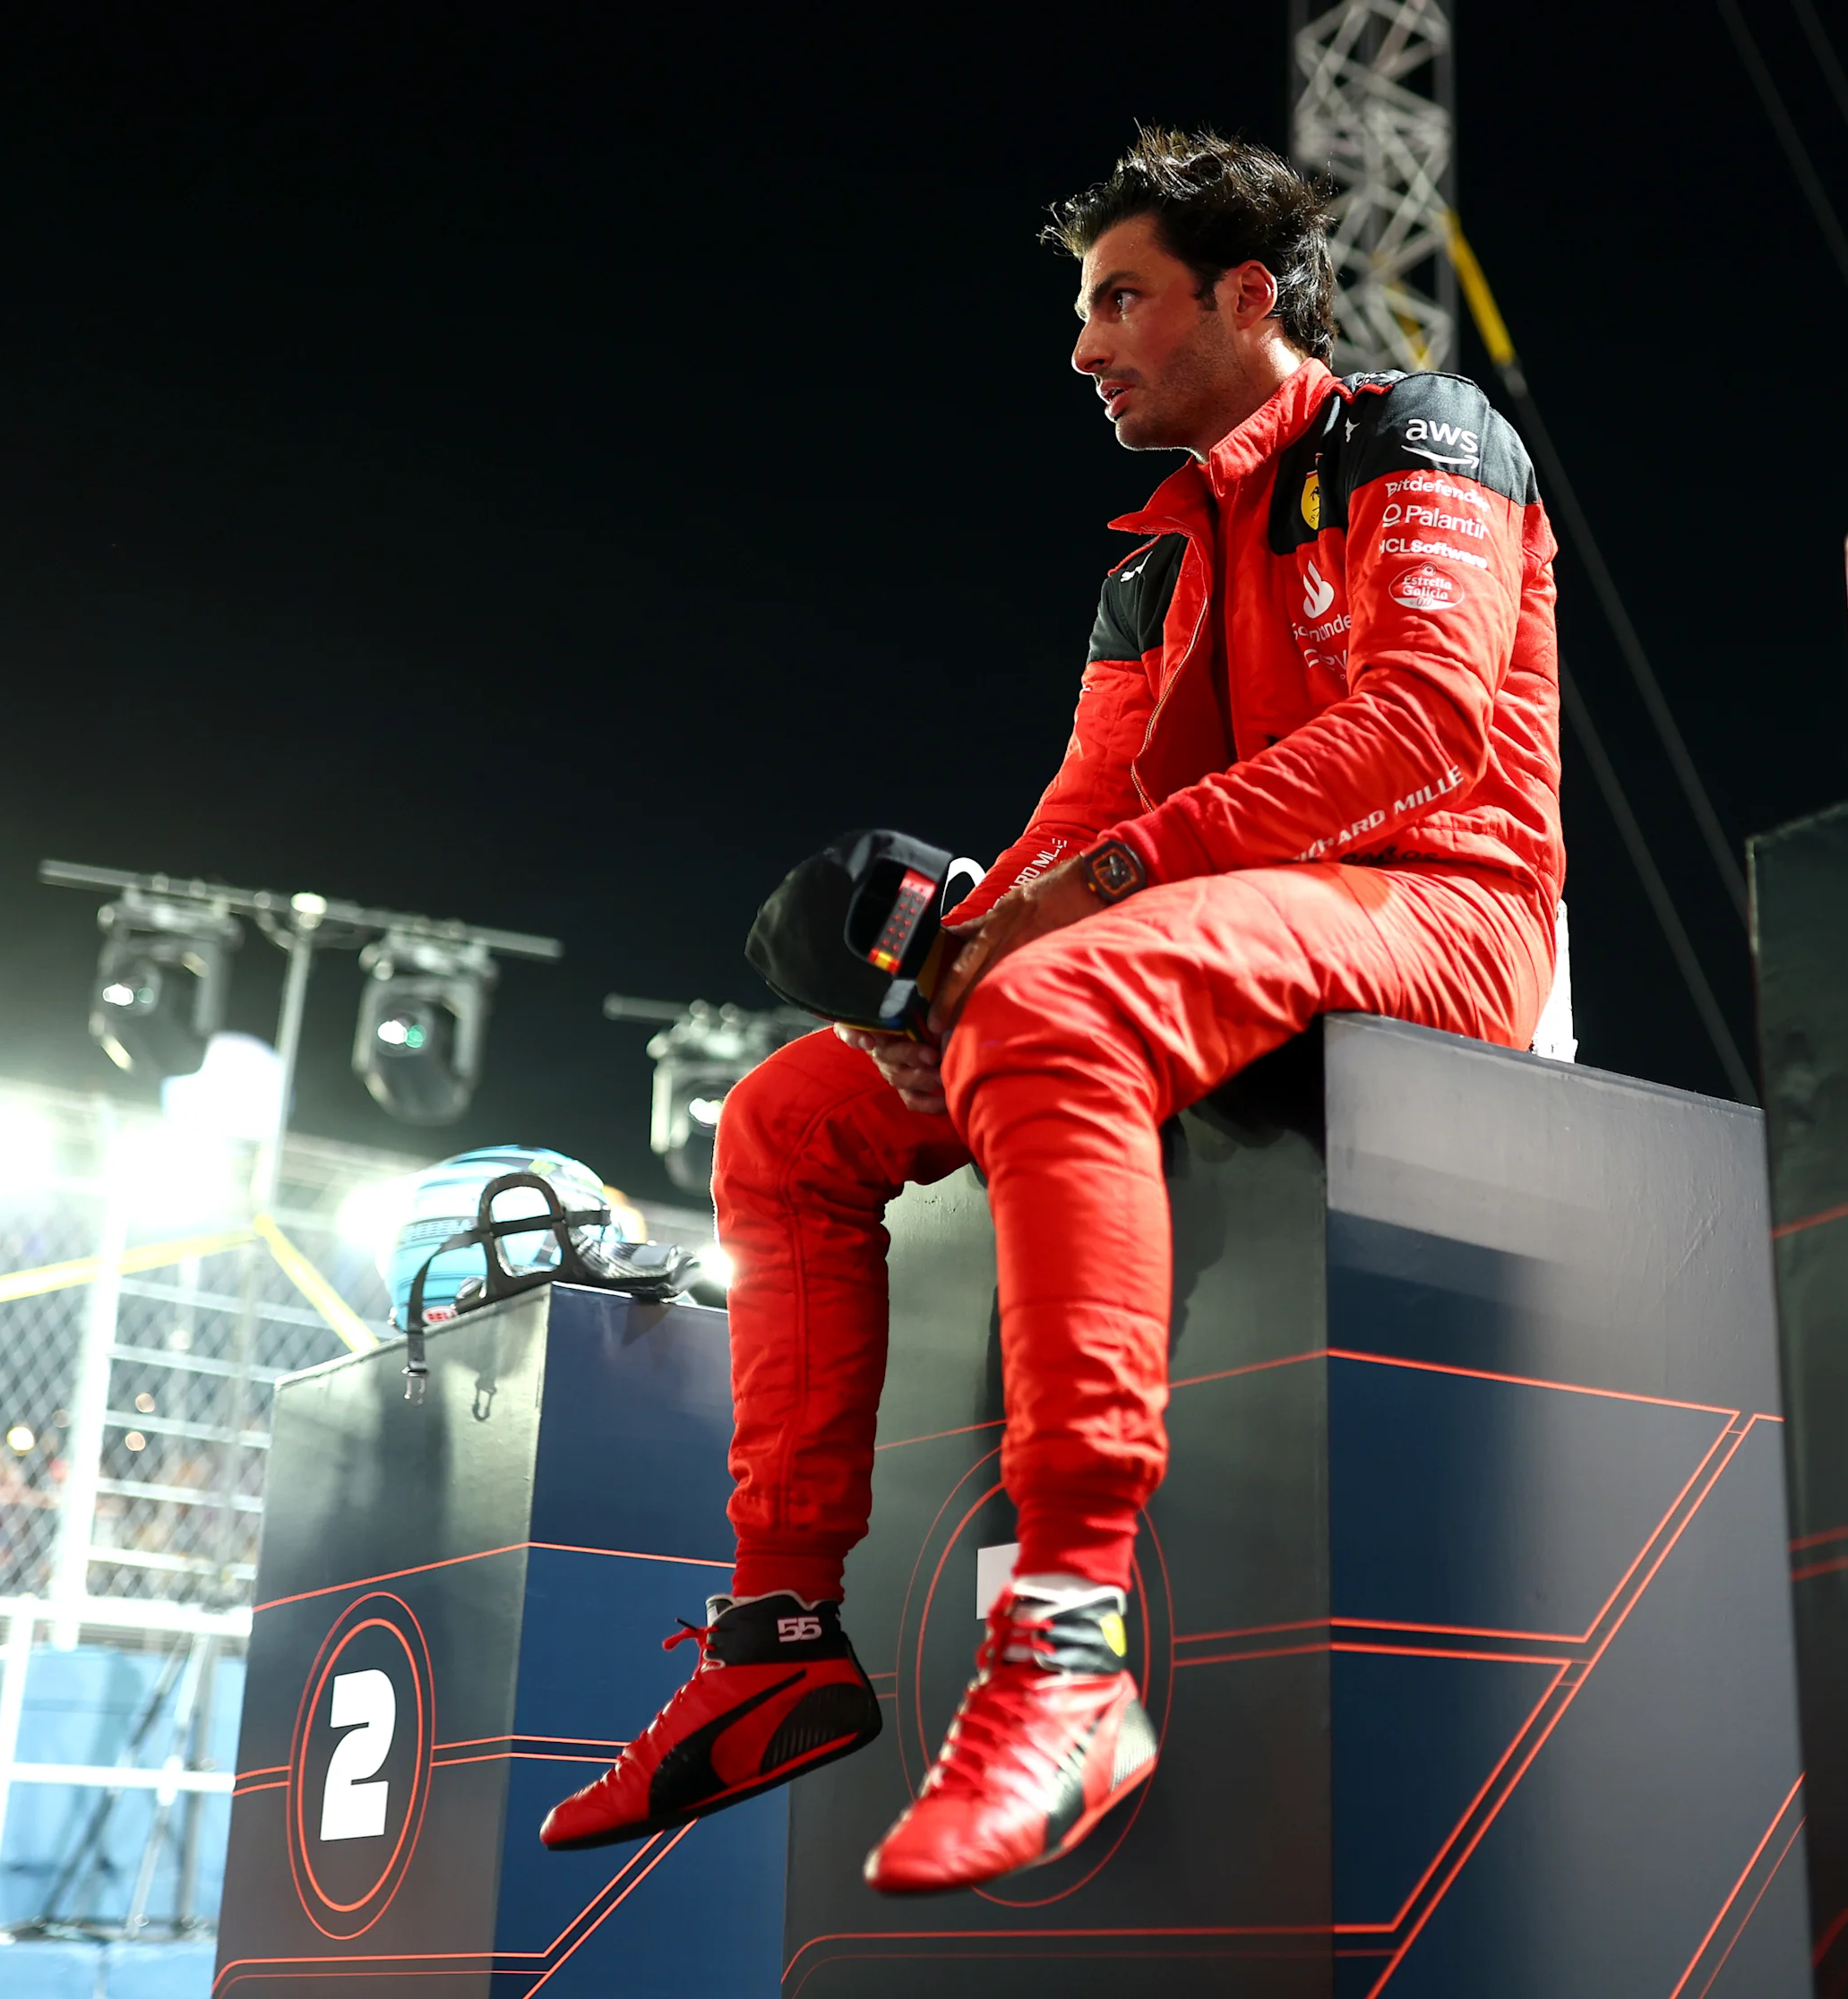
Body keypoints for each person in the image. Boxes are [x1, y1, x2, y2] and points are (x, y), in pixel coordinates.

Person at [540, 126, 1565, 1893]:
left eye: (1116, 303)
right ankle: (776, 1644)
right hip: (1212, 940)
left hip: (1444, 913)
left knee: (1055, 1001)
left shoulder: (1417, 436)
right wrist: (938, 966)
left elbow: (1418, 731)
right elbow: (1080, 823)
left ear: (1247, 298)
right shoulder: (1149, 559)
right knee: (787, 1113)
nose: (1081, 348)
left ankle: (1071, 1650)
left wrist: (1052, 930)